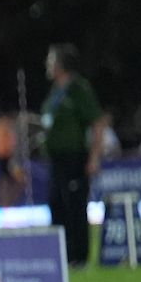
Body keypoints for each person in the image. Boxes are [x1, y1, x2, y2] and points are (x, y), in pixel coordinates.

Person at [38, 44, 106, 267]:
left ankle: (80, 258)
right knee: (56, 204)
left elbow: (97, 122)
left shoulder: (78, 89)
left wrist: (94, 156)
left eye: (51, 59)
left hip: (75, 158)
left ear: (60, 64)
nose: (47, 64)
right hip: (56, 160)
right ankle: (62, 256)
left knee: (75, 206)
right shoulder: (54, 92)